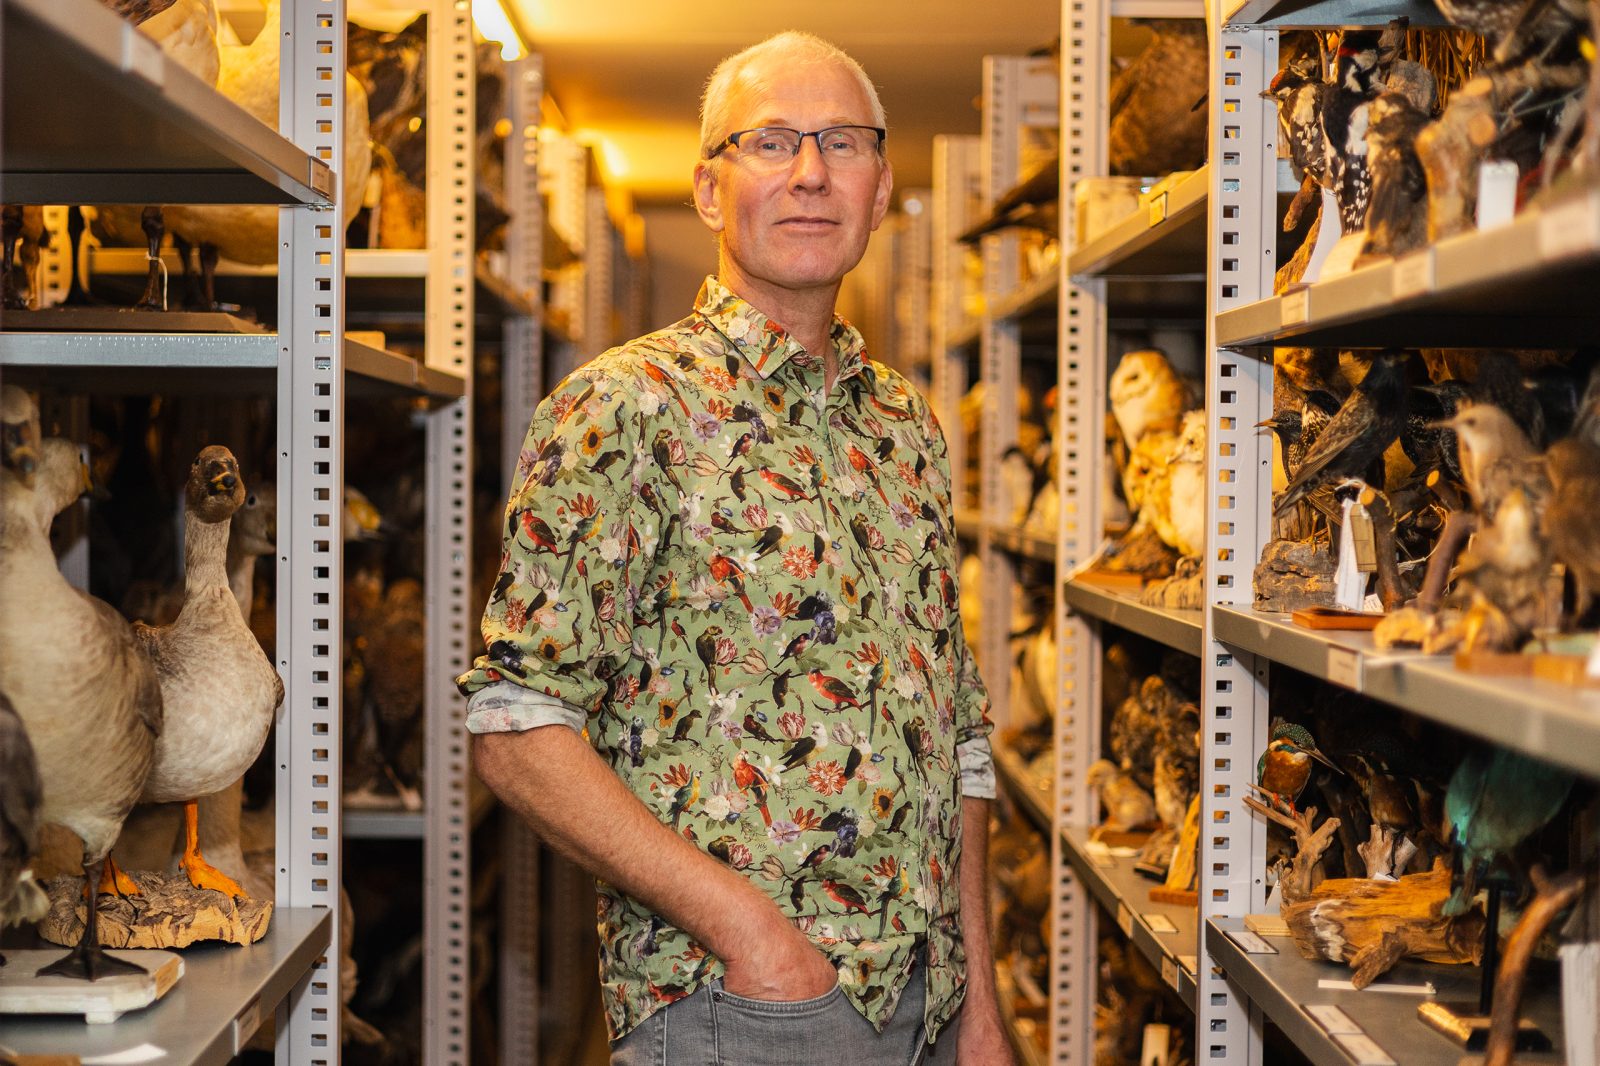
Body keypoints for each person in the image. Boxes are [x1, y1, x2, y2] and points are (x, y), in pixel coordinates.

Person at [462, 31, 1015, 1065]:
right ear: (710, 191)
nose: (809, 171)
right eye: (769, 142)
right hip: (745, 1008)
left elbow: (958, 738)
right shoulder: (620, 407)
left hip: (929, 1006)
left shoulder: (903, 424)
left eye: (840, 142)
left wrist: (979, 1001)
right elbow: (516, 725)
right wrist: (753, 935)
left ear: (882, 187)